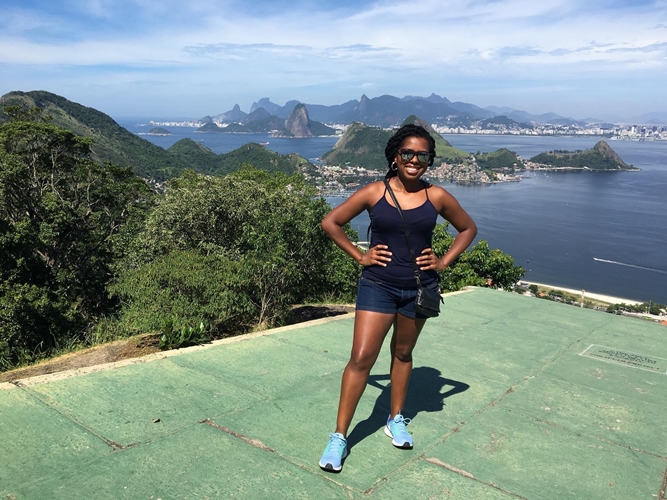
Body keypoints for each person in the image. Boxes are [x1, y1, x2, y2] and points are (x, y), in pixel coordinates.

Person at [318, 124, 477, 472]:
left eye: (423, 155)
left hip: (418, 289)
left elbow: (468, 229)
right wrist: (360, 256)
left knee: (403, 354)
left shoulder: (437, 196)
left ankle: (395, 418)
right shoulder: (375, 191)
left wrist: (443, 261)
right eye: (408, 153)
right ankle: (339, 436)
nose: (414, 160)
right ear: (395, 156)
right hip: (378, 285)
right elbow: (331, 222)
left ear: (429, 160)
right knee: (361, 358)